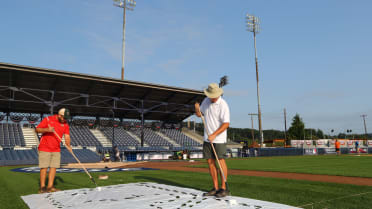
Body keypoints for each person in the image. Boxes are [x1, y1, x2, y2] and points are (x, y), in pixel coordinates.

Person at [195, 83, 230, 198]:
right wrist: (196, 109)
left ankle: (223, 188)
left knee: (220, 162)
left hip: (219, 139)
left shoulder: (223, 105)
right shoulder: (206, 101)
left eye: (213, 96)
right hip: (207, 138)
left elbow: (226, 124)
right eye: (211, 95)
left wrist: (214, 134)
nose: (212, 98)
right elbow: (200, 115)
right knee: (210, 162)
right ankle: (215, 188)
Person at [36, 108, 72, 193]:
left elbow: (67, 136)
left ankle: (50, 187)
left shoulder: (66, 124)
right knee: (44, 167)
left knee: (53, 167)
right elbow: (37, 129)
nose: (65, 119)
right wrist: (47, 129)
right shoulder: (48, 119)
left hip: (56, 149)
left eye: (66, 118)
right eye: (64, 118)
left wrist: (68, 145)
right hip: (45, 147)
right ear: (59, 115)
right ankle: (42, 187)